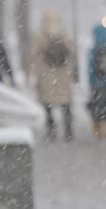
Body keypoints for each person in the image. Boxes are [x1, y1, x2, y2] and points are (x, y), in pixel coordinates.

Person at [28, 11, 77, 141]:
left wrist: (32, 73)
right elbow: (72, 56)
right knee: (66, 104)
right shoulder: (66, 37)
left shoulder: (40, 38)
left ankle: (51, 129)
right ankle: (68, 130)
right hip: (64, 78)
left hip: (46, 77)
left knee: (47, 104)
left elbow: (32, 56)